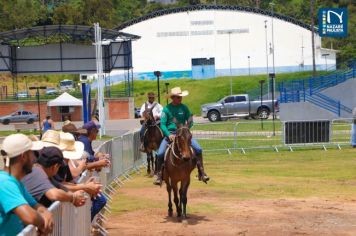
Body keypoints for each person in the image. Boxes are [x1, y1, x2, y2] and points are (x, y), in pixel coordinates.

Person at [0, 134, 53, 235]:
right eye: (32, 153)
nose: (34, 158)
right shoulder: (4, 183)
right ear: (24, 156)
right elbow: (29, 216)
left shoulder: (15, 182)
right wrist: (44, 222)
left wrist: (46, 212)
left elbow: (36, 206)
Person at [155, 87, 209, 185]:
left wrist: (187, 128)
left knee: (198, 149)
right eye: (178, 97)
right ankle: (159, 175)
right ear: (173, 98)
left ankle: (201, 172)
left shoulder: (184, 107)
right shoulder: (166, 109)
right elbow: (162, 124)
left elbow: (190, 120)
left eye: (181, 97)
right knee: (160, 153)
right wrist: (168, 134)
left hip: (183, 133)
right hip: (171, 133)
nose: (180, 99)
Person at [22, 146, 87, 208]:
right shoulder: (38, 173)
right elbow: (54, 194)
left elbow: (60, 186)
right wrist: (73, 197)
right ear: (55, 166)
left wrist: (77, 195)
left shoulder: (39, 170)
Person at [78, 121, 109, 221]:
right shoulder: (84, 141)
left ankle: (88, 223)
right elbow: (86, 161)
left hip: (84, 180)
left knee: (100, 200)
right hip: (81, 181)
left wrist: (99, 157)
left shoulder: (86, 141)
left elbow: (90, 156)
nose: (98, 132)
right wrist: (98, 162)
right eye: (96, 130)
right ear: (91, 131)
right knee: (101, 200)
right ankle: (88, 222)